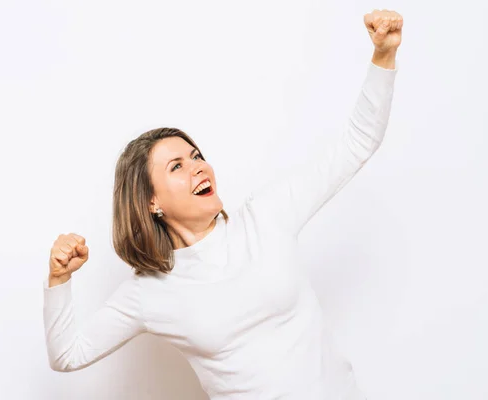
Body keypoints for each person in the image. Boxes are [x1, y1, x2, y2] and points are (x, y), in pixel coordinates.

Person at [43, 9, 403, 399]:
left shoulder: (267, 216)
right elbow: (67, 354)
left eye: (196, 156)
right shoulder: (148, 293)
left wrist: (383, 57)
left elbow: (356, 144)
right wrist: (59, 280)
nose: (199, 168)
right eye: (177, 166)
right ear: (150, 202)